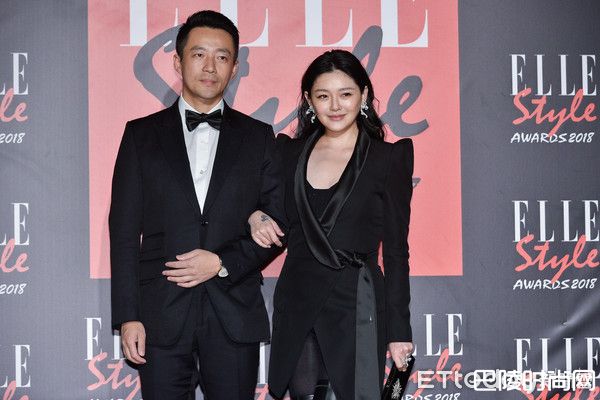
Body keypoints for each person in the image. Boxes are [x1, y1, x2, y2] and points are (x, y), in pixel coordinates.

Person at [109, 10, 283, 400]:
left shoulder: (258, 137)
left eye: (222, 57)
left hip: (233, 311)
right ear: (178, 61)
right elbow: (123, 233)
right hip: (160, 315)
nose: (210, 66)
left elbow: (278, 223)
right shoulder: (140, 136)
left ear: (234, 69)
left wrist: (221, 263)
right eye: (199, 54)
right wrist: (128, 316)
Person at [248, 50, 414, 399]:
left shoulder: (388, 159)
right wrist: (255, 215)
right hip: (298, 297)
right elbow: (269, 212)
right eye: (324, 96)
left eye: (346, 94)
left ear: (364, 95)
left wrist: (399, 330)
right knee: (303, 392)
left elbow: (397, 252)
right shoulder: (288, 153)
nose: (335, 106)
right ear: (309, 100)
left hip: (356, 301)